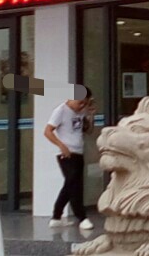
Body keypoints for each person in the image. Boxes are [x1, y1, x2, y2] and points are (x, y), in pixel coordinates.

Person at [44, 92, 96, 230]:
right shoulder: (61, 110)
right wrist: (62, 146)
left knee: (71, 184)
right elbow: (48, 131)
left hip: (78, 152)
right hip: (66, 153)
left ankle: (56, 216)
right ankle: (82, 217)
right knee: (73, 184)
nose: (82, 106)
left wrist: (90, 116)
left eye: (85, 103)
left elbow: (88, 130)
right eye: (80, 102)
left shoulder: (81, 112)